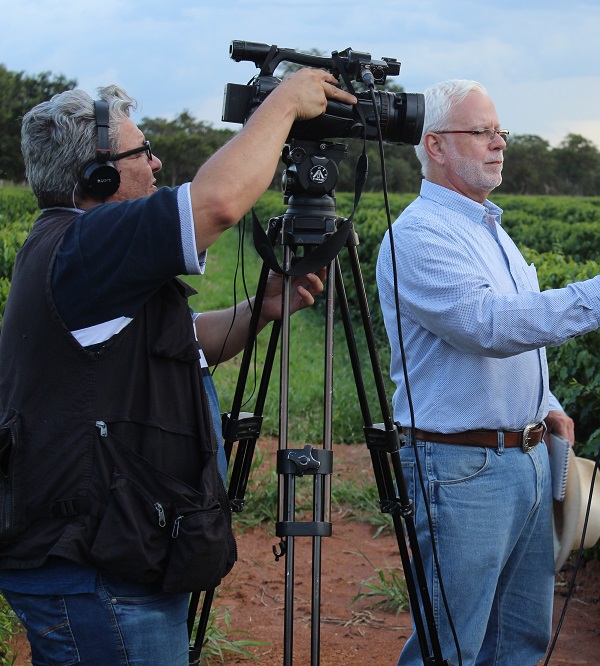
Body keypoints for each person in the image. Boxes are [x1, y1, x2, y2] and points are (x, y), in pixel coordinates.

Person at [0, 69, 357, 665]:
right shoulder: (87, 244)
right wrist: (284, 104)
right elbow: (217, 203)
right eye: (143, 151)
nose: (159, 163)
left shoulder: (81, 254)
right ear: (99, 174)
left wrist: (260, 308)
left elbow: (179, 342)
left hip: (102, 561)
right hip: (96, 575)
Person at [375, 79, 600, 665]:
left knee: (519, 642)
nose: (498, 144)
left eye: (500, 132)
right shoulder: (418, 235)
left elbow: (517, 341)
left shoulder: (492, 230)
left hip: (525, 460)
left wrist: (543, 402)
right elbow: (488, 327)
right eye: (481, 132)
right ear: (435, 145)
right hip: (460, 467)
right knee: (452, 647)